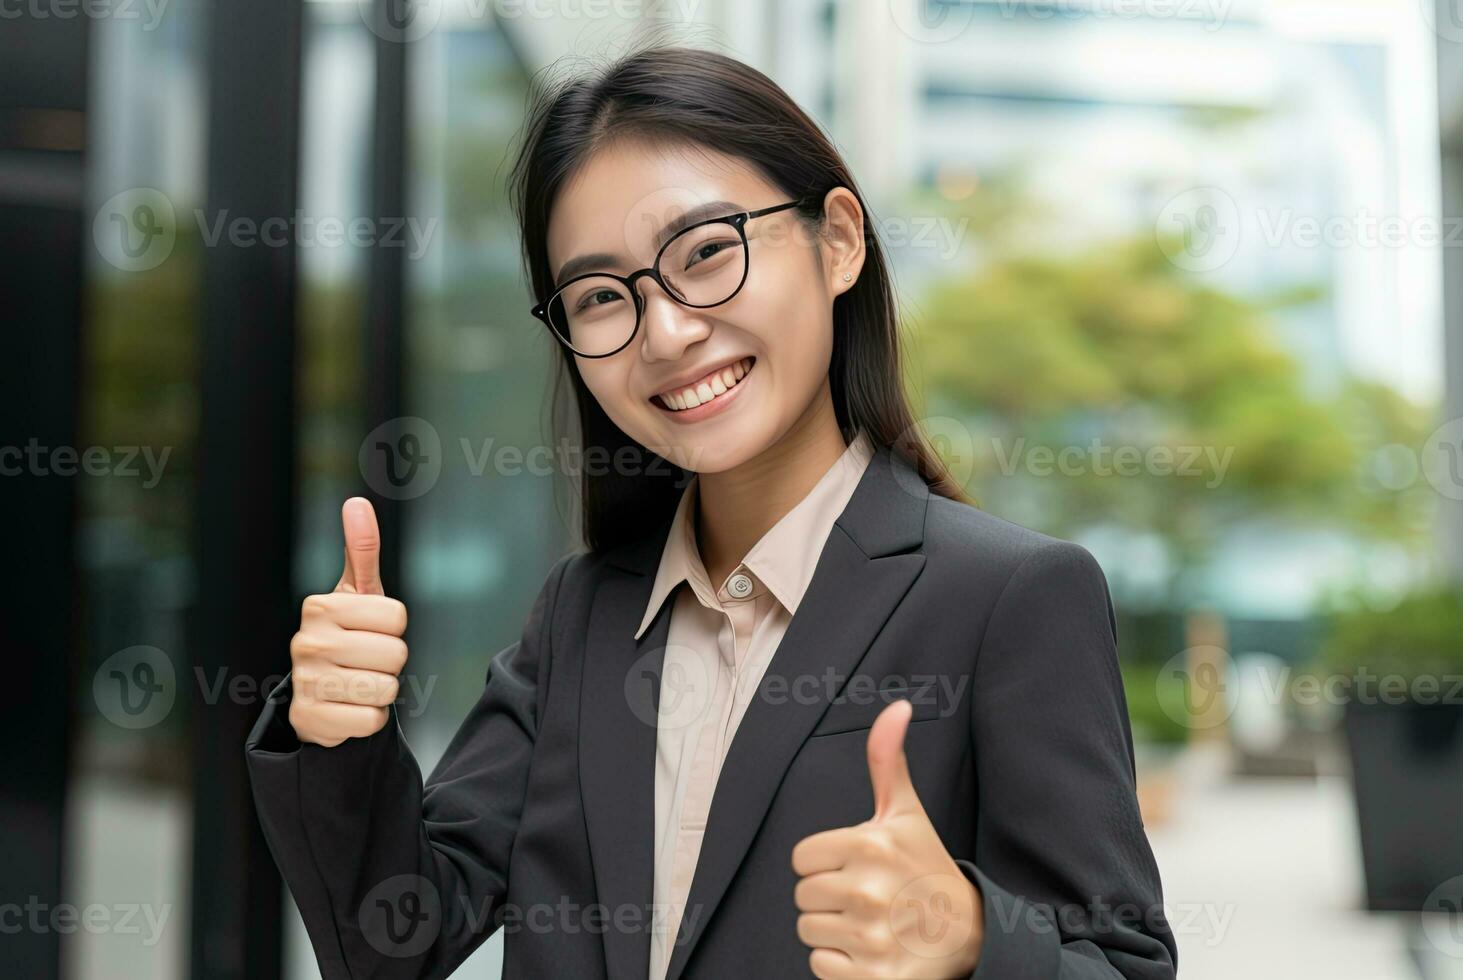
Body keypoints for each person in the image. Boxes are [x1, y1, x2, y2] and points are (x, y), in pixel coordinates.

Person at [245, 44, 1178, 980]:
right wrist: (338, 735)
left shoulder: (1008, 598)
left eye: (705, 252)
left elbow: (1122, 962)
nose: (668, 332)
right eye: (602, 296)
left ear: (838, 242)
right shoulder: (583, 613)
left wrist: (972, 938)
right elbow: (393, 942)